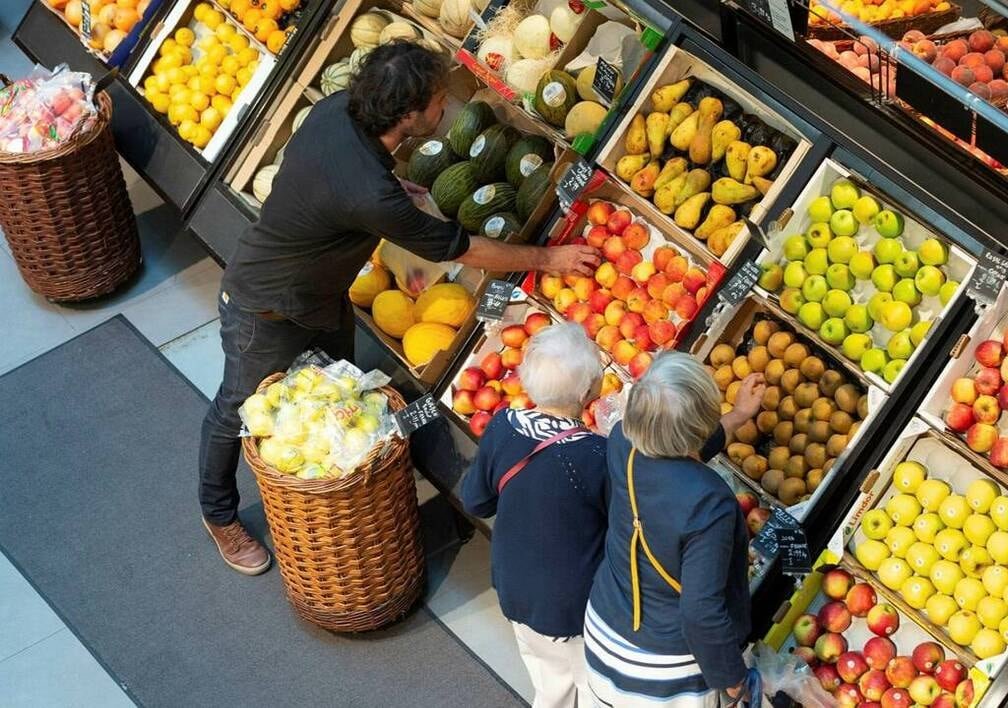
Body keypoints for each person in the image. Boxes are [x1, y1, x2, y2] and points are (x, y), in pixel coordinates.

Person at [199, 41, 600, 575]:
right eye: (438, 101)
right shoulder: (371, 194)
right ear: (408, 116)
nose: (444, 108)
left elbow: (337, 180)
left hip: (320, 298)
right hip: (267, 308)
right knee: (236, 408)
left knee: (343, 398)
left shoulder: (334, 111)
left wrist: (388, 190)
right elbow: (462, 247)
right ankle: (219, 515)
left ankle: (357, 496)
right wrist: (548, 257)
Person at [585, 352, 765, 707]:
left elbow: (676, 450)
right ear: (700, 426)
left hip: (603, 628)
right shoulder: (708, 503)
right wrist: (731, 678)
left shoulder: (623, 441)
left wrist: (739, 416)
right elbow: (700, 611)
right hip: (660, 671)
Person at [460, 322, 608, 708]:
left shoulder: (503, 426)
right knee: (594, 688)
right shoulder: (595, 456)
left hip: (515, 586)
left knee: (550, 683)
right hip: (573, 605)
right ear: (587, 392)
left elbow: (475, 501)